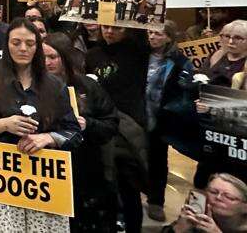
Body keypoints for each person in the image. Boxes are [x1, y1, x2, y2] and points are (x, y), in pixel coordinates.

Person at [0, 18, 81, 232]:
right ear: (7, 45)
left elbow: (74, 132)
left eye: (30, 43)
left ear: (38, 47)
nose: (23, 48)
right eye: (16, 42)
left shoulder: (55, 85)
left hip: (43, 183)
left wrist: (48, 138)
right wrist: (3, 124)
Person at [43, 32, 119, 232]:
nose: (47, 62)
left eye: (52, 57)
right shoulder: (30, 86)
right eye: (42, 57)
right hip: (46, 172)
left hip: (84, 171)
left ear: (65, 57)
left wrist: (88, 124)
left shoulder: (87, 86)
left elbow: (111, 124)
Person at [85, 25, 150, 233]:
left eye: (117, 28)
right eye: (106, 27)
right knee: (107, 185)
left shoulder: (137, 51)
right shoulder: (92, 54)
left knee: (129, 186)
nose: (110, 32)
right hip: (103, 122)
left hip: (129, 124)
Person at [142, 21, 196, 222]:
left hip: (162, 117)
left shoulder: (180, 62)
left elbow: (185, 90)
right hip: (139, 114)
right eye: (150, 33)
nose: (152, 37)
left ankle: (156, 201)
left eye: (158, 34)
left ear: (169, 37)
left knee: (157, 159)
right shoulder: (140, 55)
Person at [163, 173, 247, 233]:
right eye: (213, 192)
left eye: (228, 197)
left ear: (245, 207)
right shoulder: (196, 216)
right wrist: (178, 229)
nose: (218, 197)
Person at [201, 20, 247, 87]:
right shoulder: (216, 55)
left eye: (238, 38)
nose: (230, 41)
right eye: (227, 36)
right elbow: (201, 77)